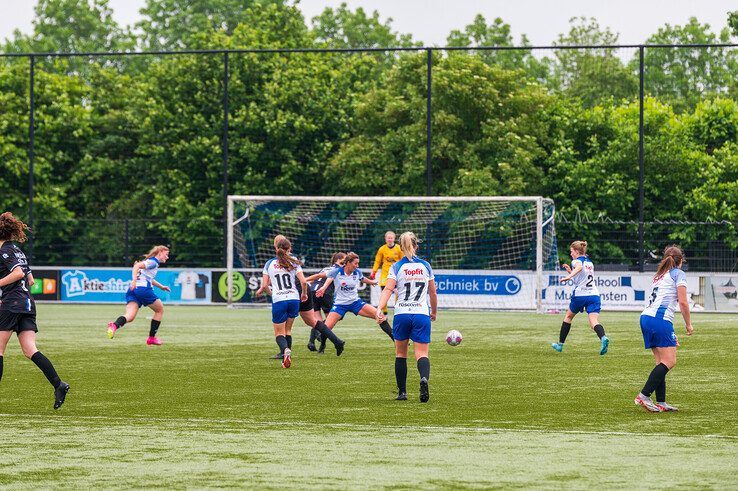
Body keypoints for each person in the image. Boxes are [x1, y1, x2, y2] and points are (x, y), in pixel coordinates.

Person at [0, 212, 69, 409]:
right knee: (30, 350)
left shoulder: (4, 251)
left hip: (12, 304)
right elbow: (29, 278)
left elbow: (19, 273)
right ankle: (58, 384)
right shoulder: (17, 251)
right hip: (27, 304)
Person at [377, 231, 437, 403]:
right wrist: (434, 312)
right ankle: (424, 379)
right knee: (422, 353)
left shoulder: (397, 267)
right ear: (416, 246)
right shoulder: (425, 265)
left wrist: (379, 308)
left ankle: (402, 392)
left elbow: (388, 289)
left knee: (400, 354)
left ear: (401, 248)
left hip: (402, 313)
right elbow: (432, 292)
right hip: (421, 313)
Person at [635, 245, 694, 412]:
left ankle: (661, 401)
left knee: (661, 362)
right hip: (658, 319)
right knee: (669, 361)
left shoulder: (659, 275)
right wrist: (688, 324)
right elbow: (683, 302)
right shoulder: (678, 273)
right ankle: (644, 396)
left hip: (647, 317)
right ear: (681, 260)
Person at [315, 252, 393, 346]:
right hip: (340, 305)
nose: (357, 265)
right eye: (355, 263)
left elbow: (362, 278)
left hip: (355, 303)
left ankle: (395, 339)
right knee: (327, 328)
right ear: (348, 263)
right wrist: (323, 288)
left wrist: (371, 282)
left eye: (358, 263)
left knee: (379, 315)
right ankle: (322, 345)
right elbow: (329, 278)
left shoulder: (357, 272)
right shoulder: (337, 271)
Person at [256, 236, 308, 368]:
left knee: (279, 333)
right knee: (288, 330)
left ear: (276, 248)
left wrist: (272, 294)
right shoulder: (294, 261)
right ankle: (286, 357)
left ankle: (285, 351)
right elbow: (303, 282)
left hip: (279, 300)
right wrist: (304, 294)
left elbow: (265, 285)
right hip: (294, 299)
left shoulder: (269, 264)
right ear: (289, 248)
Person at [551, 241, 609, 355]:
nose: (571, 253)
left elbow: (579, 267)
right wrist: (570, 271)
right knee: (593, 321)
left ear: (577, 251)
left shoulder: (576, 261)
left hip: (580, 295)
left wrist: (568, 276)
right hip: (594, 295)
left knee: (568, 317)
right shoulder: (590, 262)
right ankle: (603, 337)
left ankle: (560, 345)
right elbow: (581, 277)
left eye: (572, 251)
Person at [107, 245, 171, 345]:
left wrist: (161, 286)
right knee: (160, 310)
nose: (167, 257)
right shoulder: (153, 262)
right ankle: (151, 338)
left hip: (133, 290)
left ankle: (114, 325)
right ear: (160, 252)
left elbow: (148, 278)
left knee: (130, 316)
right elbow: (136, 266)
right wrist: (133, 280)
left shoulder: (151, 263)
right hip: (143, 290)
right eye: (166, 254)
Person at [305, 252, 346, 353]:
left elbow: (317, 277)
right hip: (324, 292)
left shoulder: (325, 268)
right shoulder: (338, 269)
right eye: (345, 259)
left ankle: (311, 342)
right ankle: (321, 341)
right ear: (339, 260)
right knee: (331, 320)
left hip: (312, 291)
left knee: (317, 321)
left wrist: (305, 280)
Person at [371, 231, 404, 315]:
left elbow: (403, 260)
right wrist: (374, 272)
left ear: (394, 238)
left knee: (398, 292)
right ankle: (385, 313)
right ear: (385, 239)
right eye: (388, 238)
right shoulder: (382, 249)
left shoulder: (398, 248)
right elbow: (377, 261)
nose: (389, 239)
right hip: (385, 274)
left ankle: (397, 308)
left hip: (396, 273)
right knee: (384, 293)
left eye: (391, 238)